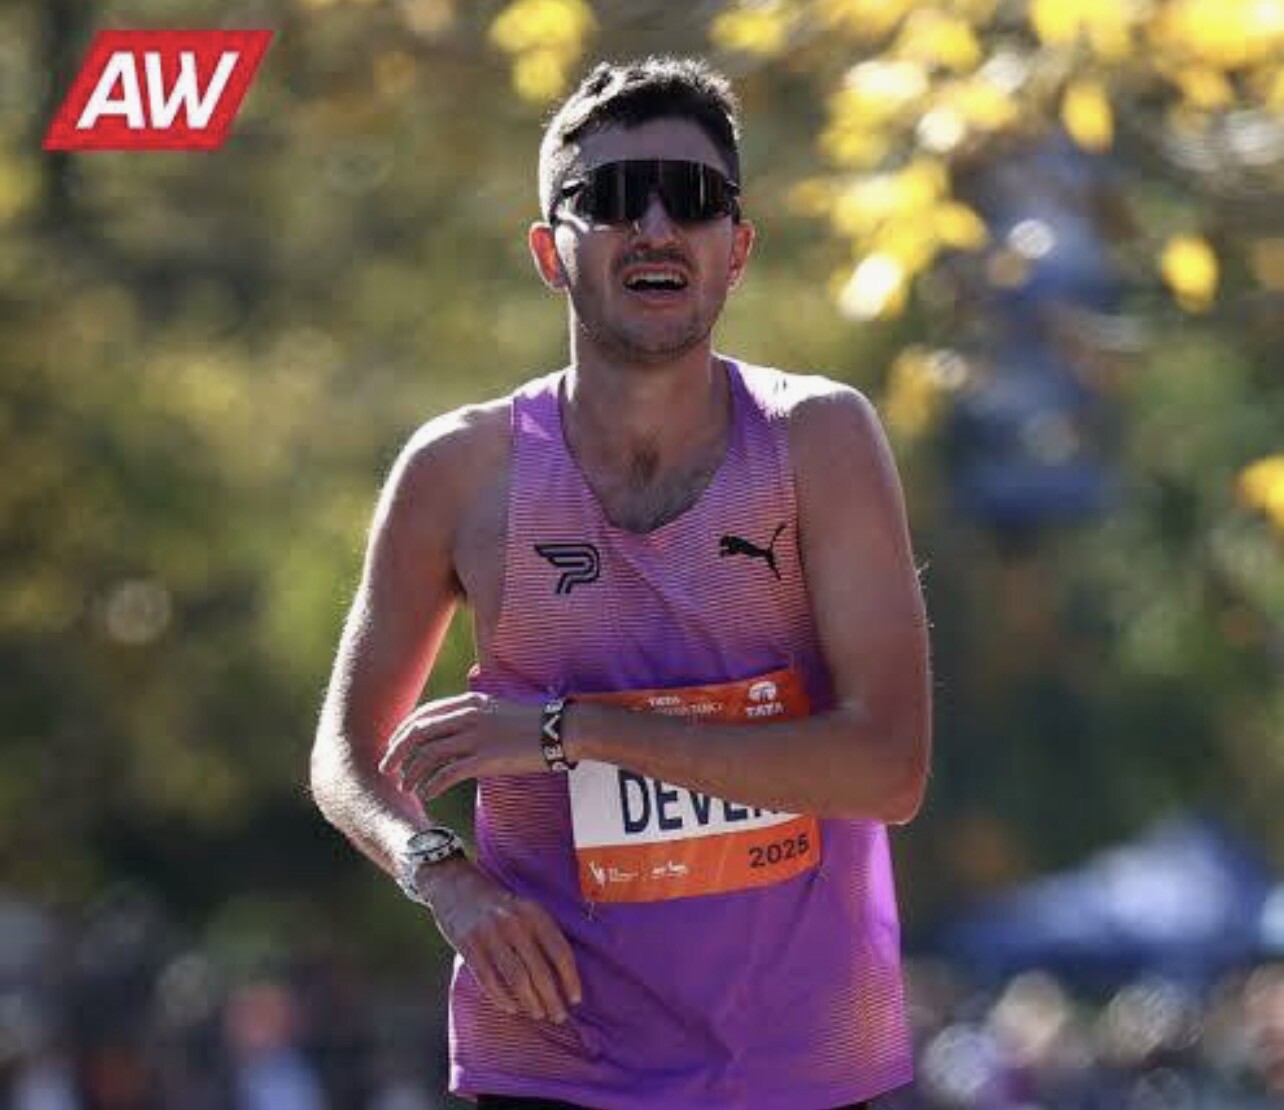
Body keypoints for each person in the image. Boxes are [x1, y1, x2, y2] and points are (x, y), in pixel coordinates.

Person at [311, 55, 932, 1110]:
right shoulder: (463, 470)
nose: (654, 226)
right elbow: (346, 754)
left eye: (692, 198)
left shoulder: (816, 440)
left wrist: (573, 731)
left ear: (738, 249)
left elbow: (888, 771)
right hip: (552, 1061)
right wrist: (440, 873)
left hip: (802, 1068)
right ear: (548, 252)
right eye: (608, 198)